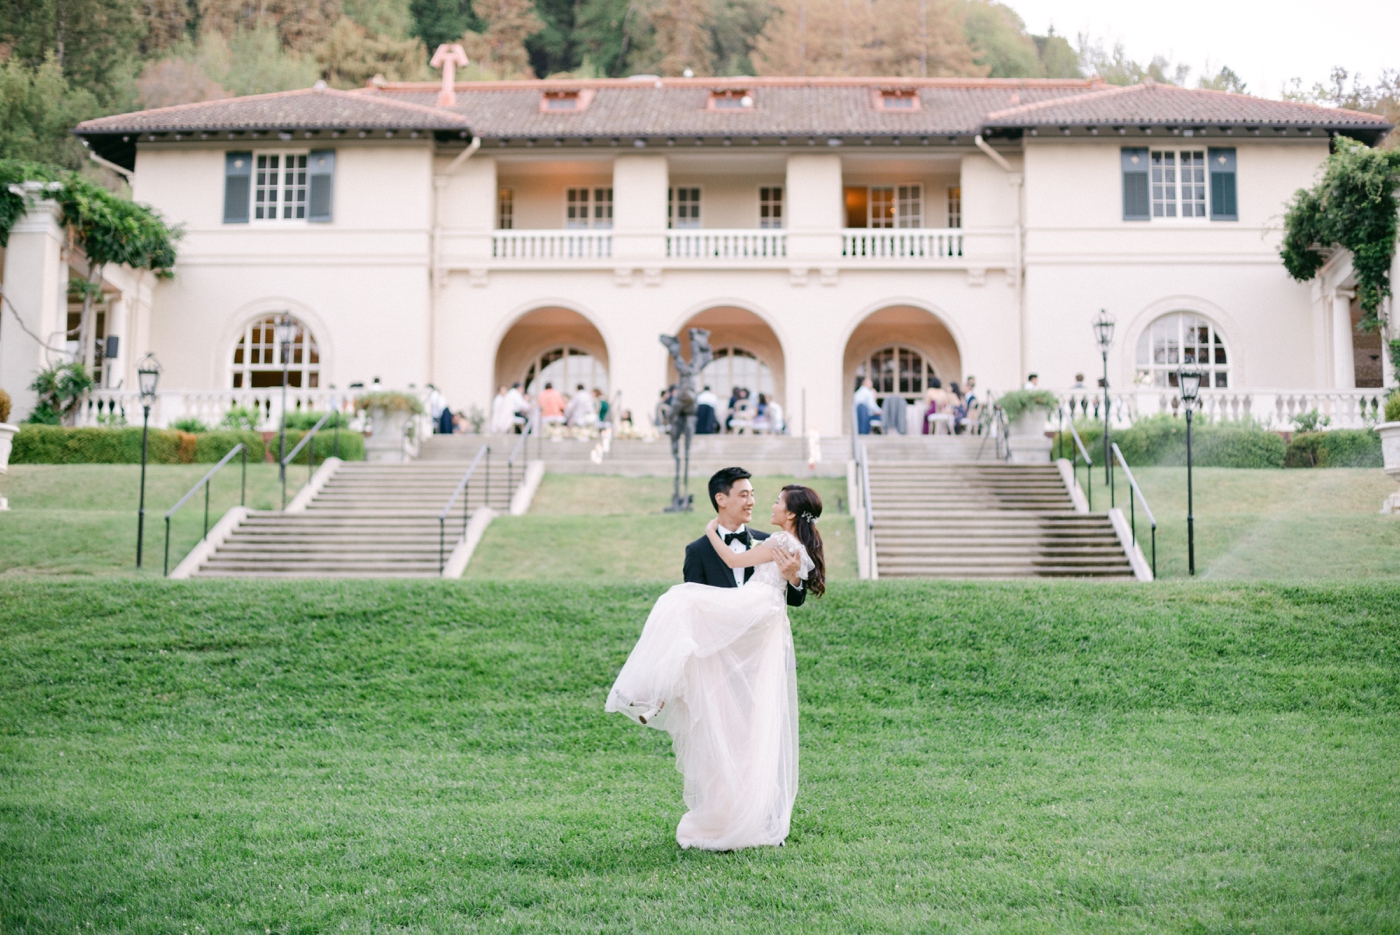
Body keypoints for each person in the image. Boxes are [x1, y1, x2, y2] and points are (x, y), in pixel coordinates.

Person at [606, 468, 825, 851]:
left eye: (763, 496)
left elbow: (793, 593)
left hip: (755, 651)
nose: (756, 501)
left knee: (678, 601)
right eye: (745, 494)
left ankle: (655, 692)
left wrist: (793, 580)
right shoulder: (698, 552)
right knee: (684, 605)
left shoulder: (770, 540)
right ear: (722, 498)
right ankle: (663, 694)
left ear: (789, 513)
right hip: (721, 658)